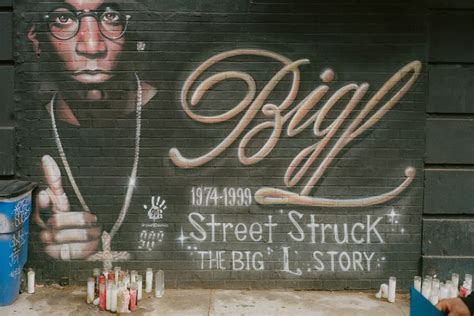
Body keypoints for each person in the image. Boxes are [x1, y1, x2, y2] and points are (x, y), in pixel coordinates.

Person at [25, 0, 157, 260]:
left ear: (131, 32)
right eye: (63, 20)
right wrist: (43, 241)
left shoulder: (181, 120)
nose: (92, 46)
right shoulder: (28, 134)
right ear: (36, 39)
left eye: (110, 17)